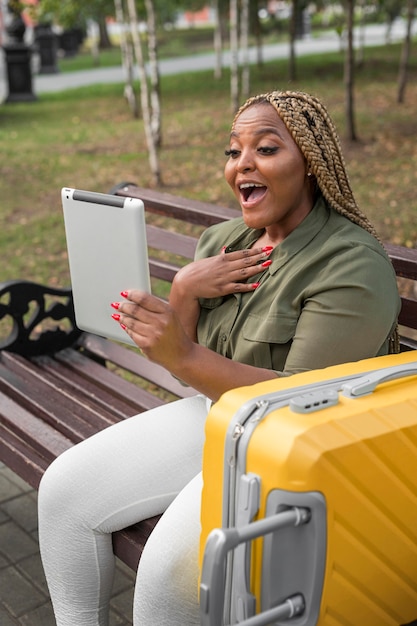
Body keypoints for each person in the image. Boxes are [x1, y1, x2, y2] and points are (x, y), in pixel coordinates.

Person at [38, 90, 400, 626]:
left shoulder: (351, 266)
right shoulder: (226, 241)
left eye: (267, 148)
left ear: (311, 165)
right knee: (63, 493)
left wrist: (182, 355)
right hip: (221, 418)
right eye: (234, 152)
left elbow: (296, 406)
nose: (242, 165)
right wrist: (182, 291)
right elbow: (183, 365)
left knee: (165, 579)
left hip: (295, 456)